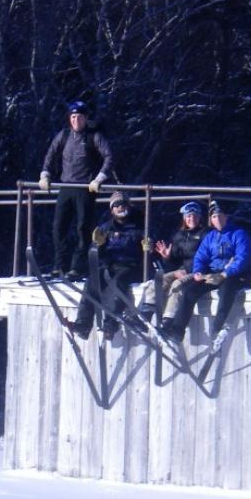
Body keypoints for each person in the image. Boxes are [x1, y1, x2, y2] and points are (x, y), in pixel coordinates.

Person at [39, 101, 114, 280]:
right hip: (66, 186)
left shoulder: (93, 136)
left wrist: (99, 178)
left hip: (85, 188)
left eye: (79, 117)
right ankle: (59, 265)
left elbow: (109, 156)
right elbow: (51, 153)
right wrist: (45, 174)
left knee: (83, 228)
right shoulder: (63, 135)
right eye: (73, 117)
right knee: (59, 227)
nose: (76, 120)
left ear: (85, 118)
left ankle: (77, 267)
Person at [159, 200, 251, 343]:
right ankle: (177, 330)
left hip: (231, 275)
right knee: (190, 291)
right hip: (212, 273)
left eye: (220, 215)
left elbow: (242, 258)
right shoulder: (211, 237)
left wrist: (224, 274)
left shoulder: (238, 234)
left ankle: (217, 330)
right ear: (211, 220)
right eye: (214, 217)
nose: (218, 219)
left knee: (226, 293)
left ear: (226, 217)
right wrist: (198, 272)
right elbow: (201, 256)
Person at [68, 192, 150, 340]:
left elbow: (151, 246)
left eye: (123, 204)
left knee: (117, 284)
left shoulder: (140, 226)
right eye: (116, 205)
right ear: (112, 210)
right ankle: (83, 325)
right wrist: (97, 245)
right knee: (91, 283)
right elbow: (94, 253)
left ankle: (110, 325)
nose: (120, 208)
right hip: (110, 265)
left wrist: (147, 248)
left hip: (131, 266)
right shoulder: (106, 228)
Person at [141, 201, 209, 322]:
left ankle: (168, 319)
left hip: (198, 271)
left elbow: (205, 257)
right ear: (184, 218)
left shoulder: (206, 234)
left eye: (195, 216)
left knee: (176, 285)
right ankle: (146, 312)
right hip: (182, 270)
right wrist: (167, 257)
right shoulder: (180, 235)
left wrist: (188, 271)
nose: (191, 219)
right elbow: (173, 263)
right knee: (159, 281)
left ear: (200, 217)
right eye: (188, 216)